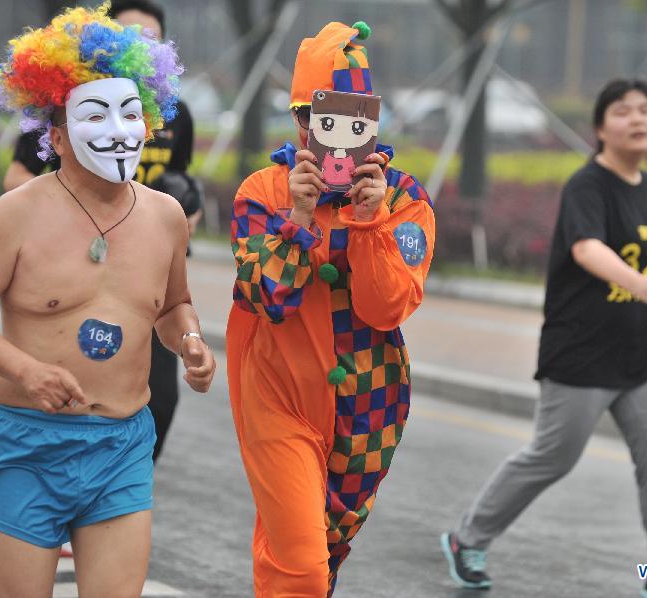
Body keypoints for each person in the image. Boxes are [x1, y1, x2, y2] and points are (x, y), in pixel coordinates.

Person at [0, 5, 215, 597]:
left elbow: (172, 306)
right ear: (55, 133)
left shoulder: (166, 218)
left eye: (131, 113)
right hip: (27, 441)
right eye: (96, 114)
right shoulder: (14, 215)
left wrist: (190, 339)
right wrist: (26, 370)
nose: (118, 129)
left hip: (122, 443)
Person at [439, 79, 647, 598]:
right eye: (623, 111)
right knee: (552, 457)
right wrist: (638, 284)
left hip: (644, 356)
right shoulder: (587, 185)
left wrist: (642, 294)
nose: (637, 119)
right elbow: (587, 249)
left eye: (646, 110)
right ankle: (467, 539)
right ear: (599, 127)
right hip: (581, 353)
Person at [225, 21, 436, 597]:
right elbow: (265, 298)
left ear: (372, 124)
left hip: (369, 405)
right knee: (301, 566)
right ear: (298, 121)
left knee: (326, 554)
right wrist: (296, 218)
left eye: (355, 122)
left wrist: (368, 224)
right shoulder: (262, 191)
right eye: (314, 119)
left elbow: (388, 306)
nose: (333, 139)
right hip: (280, 396)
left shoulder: (404, 199)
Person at [2, 0, 201, 463]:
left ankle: (121, 490)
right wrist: (64, 209)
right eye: (128, 37)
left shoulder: (175, 116)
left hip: (143, 272)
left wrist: (180, 218)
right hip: (77, 267)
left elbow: (183, 188)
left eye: (149, 40)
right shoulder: (69, 109)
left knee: (160, 402)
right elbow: (16, 175)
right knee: (71, 396)